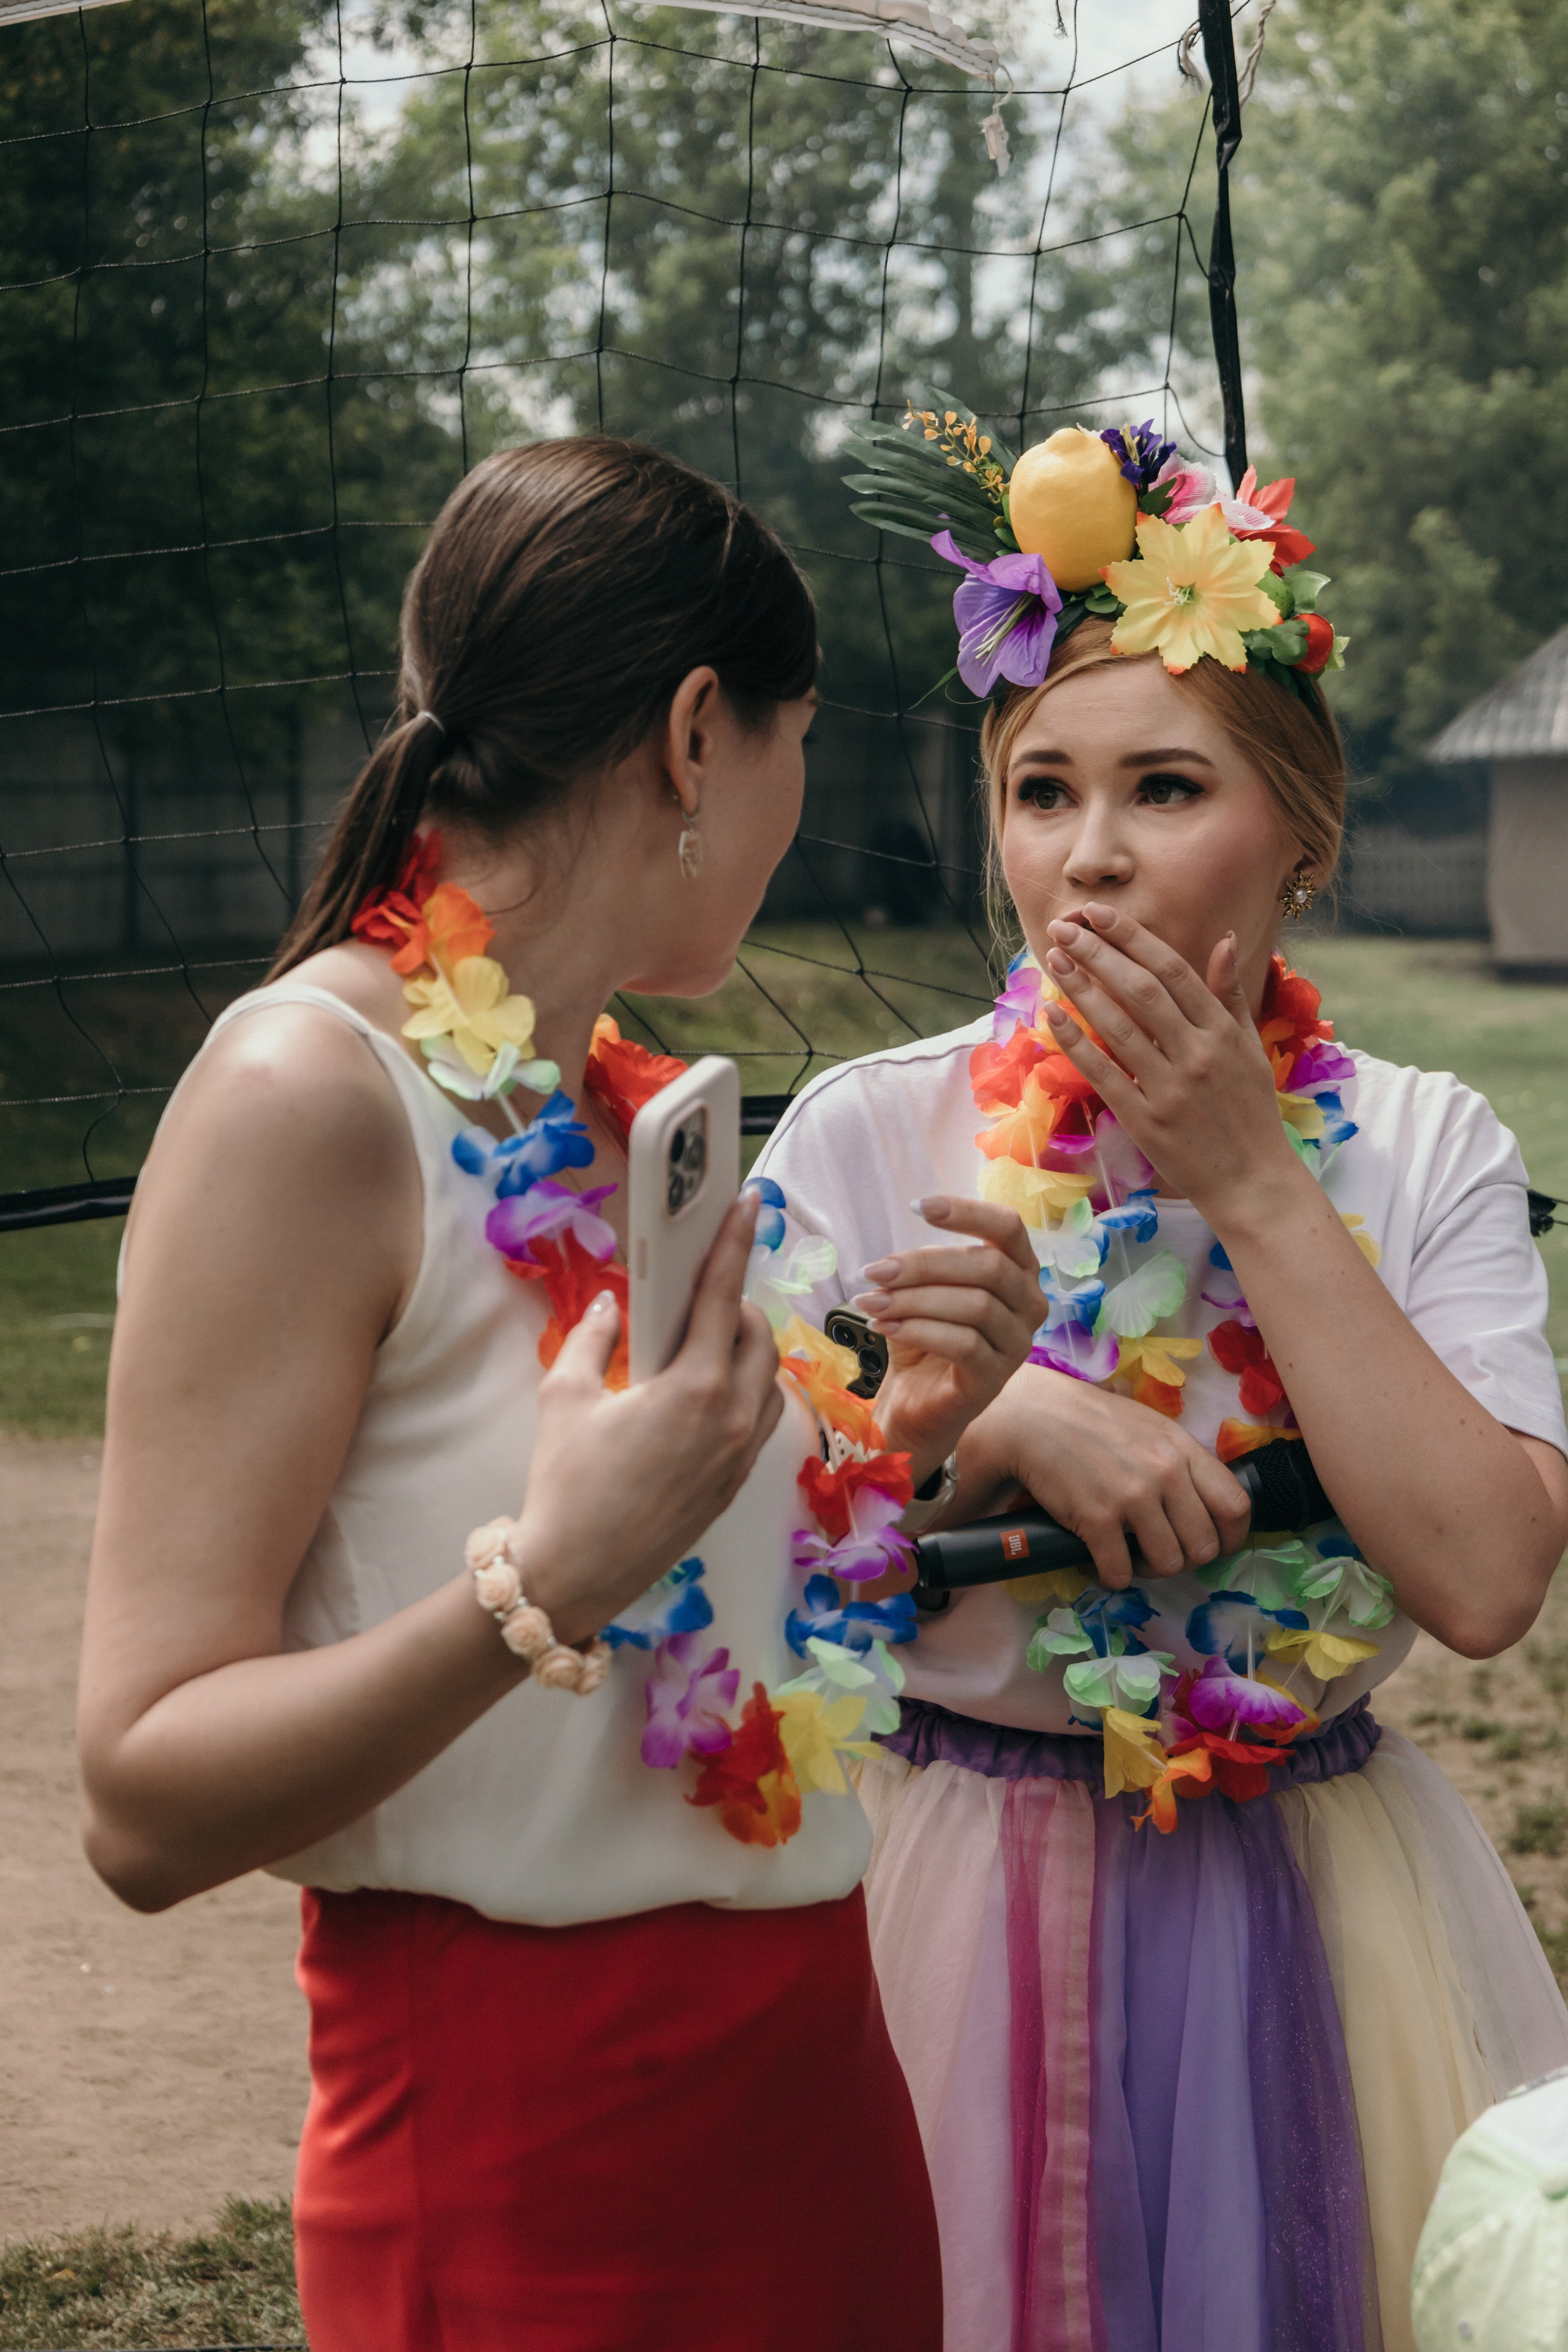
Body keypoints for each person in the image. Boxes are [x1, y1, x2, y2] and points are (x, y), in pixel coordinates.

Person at [75, 437, 1047, 2351]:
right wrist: (541, 1582)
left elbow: (713, 1621)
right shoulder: (307, 1096)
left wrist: (895, 1445)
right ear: (701, 735)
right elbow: (141, 1799)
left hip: (818, 2115)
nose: (796, 805)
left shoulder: (630, 1111)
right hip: (538, 2175)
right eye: (800, 747)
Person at [753, 415, 1568, 2352]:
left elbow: (1480, 1578)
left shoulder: (1421, 1148)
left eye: (1166, 787)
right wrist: (1005, 1410)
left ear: (1301, 836)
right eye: (1043, 793)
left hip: (1317, 1905)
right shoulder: (873, 1130)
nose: (1091, 855)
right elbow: (734, 1548)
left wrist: (1254, 1184)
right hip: (947, 1884)